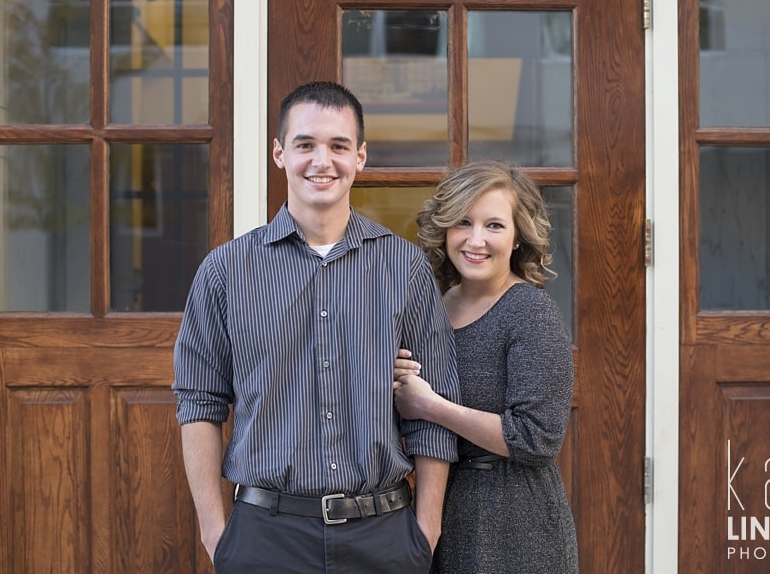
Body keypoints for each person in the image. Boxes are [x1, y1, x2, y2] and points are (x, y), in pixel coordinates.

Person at [173, 81, 460, 573]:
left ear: (360, 157)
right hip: (265, 538)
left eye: (338, 146)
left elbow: (436, 404)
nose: (321, 161)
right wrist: (215, 533)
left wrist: (426, 529)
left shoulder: (404, 268)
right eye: (305, 144)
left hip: (384, 536)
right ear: (280, 153)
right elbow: (199, 401)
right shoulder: (225, 271)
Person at [393, 160, 579, 573]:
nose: (476, 240)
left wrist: (430, 405)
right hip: (442, 508)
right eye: (463, 222)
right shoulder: (431, 309)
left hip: (515, 521)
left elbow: (537, 438)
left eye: (494, 225)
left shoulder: (529, 312)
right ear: (445, 229)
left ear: (517, 238)